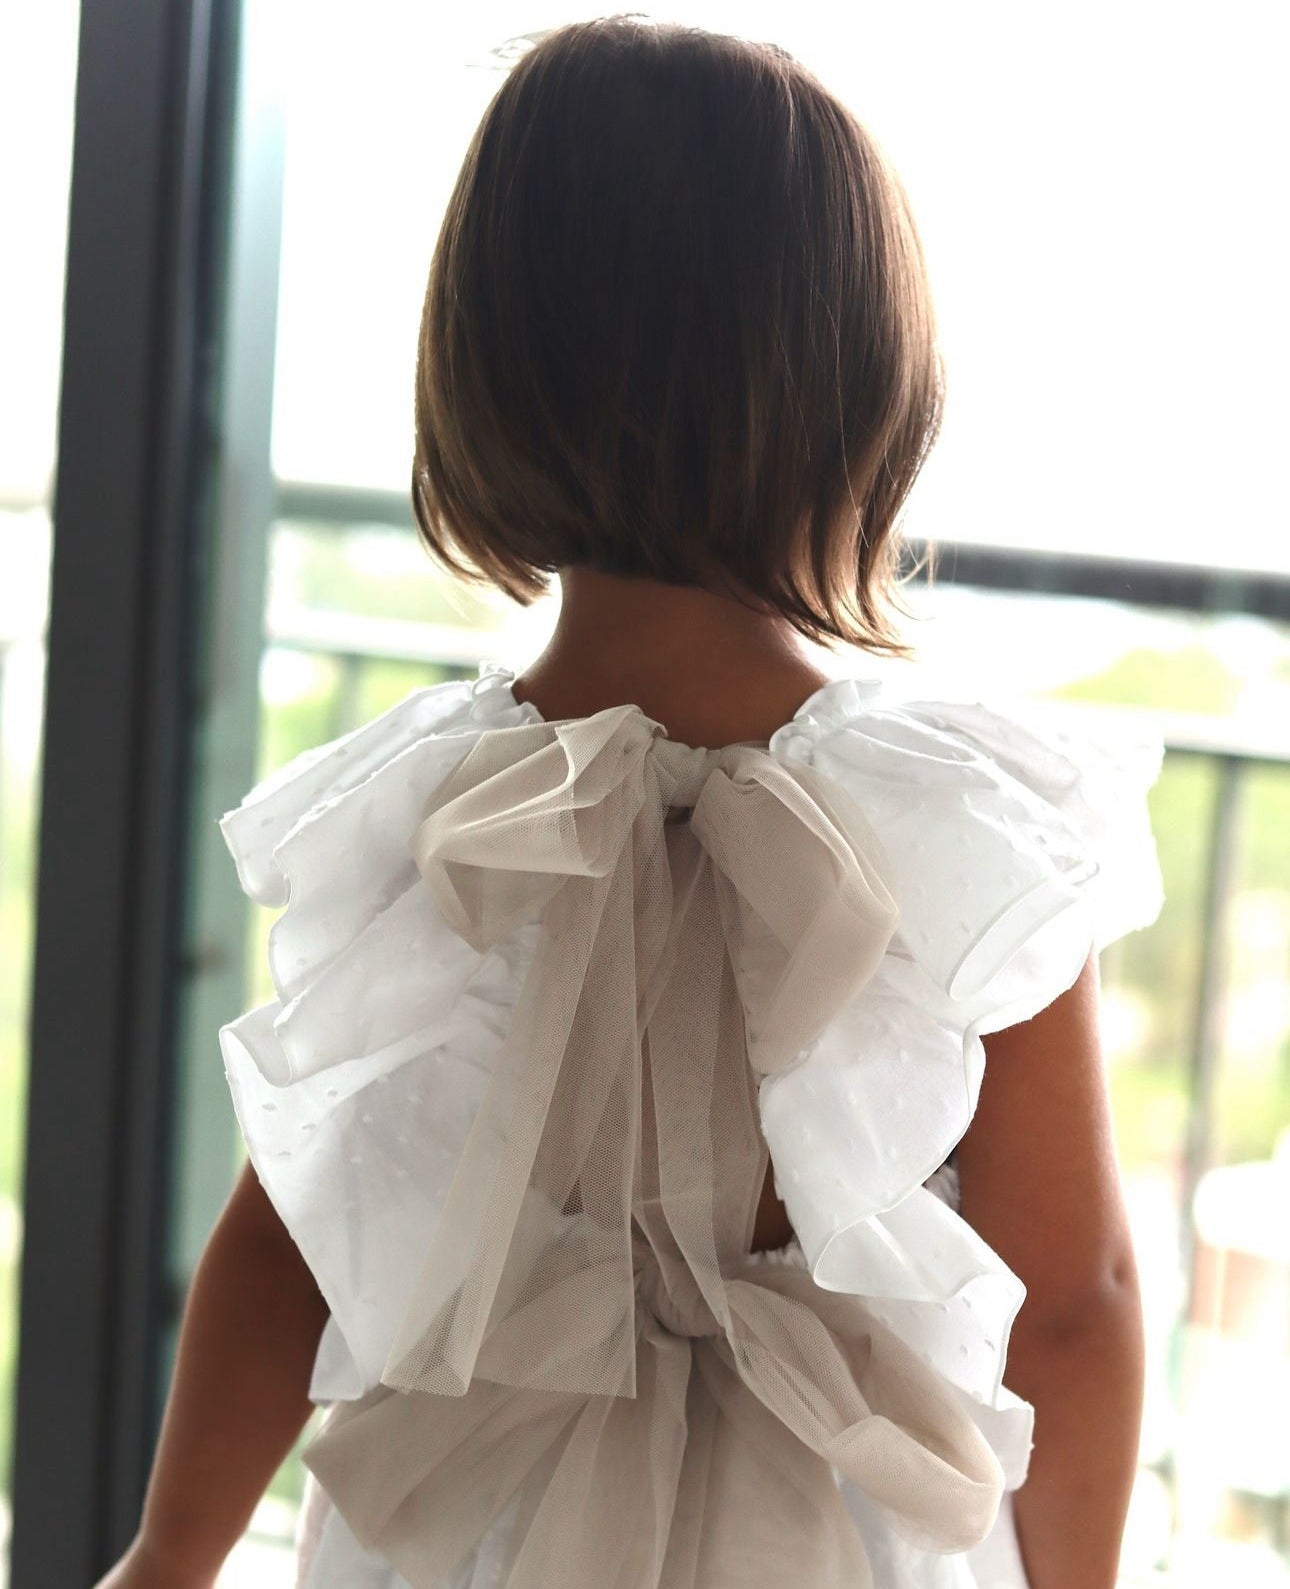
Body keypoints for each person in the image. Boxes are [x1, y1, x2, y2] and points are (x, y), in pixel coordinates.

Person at [97, 16, 1162, 1589]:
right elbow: (1073, 1303)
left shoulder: (427, 813)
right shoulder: (957, 831)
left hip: (464, 1531)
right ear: (864, 396)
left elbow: (290, 1241)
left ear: (488, 369)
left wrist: (168, 1557)